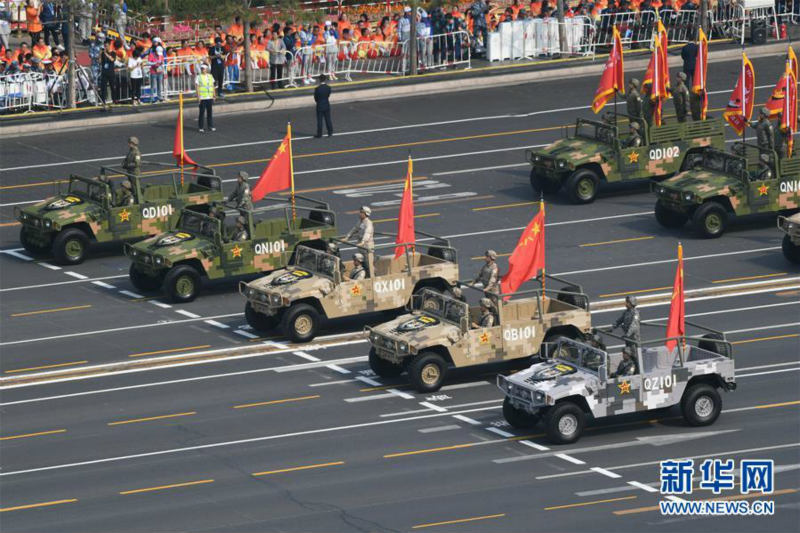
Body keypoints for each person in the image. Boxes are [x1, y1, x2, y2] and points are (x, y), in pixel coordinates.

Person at [196, 63, 216, 132]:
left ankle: (210, 126)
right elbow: (197, 87)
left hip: (209, 97)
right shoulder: (199, 77)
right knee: (202, 113)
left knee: (209, 113)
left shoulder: (210, 76)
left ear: (207, 69)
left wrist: (214, 95)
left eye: (204, 69)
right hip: (203, 98)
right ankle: (201, 127)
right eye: (201, 69)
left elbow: (212, 86)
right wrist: (198, 97)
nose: (202, 70)